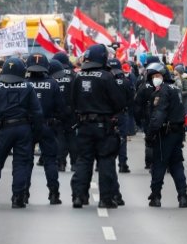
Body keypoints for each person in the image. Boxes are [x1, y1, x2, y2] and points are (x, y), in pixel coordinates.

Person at [0, 57, 42, 209]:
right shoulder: (28, 87)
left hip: (4, 129)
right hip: (24, 128)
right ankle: (18, 198)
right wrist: (36, 133)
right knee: (21, 163)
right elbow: (37, 112)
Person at [70, 45, 128, 209]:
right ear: (103, 58)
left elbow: (72, 102)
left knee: (83, 160)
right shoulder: (106, 77)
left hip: (83, 125)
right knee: (106, 161)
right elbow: (119, 102)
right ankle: (106, 199)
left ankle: (79, 197)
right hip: (104, 126)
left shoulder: (79, 76)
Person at [144, 63, 187, 208]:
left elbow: (158, 114)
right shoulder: (175, 88)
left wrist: (150, 134)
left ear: (163, 76)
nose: (155, 79)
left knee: (159, 164)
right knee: (177, 165)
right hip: (177, 132)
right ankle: (183, 196)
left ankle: (156, 196)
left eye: (157, 76)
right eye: (153, 77)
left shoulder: (162, 91)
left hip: (165, 133)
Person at [26, 53, 64, 204]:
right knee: (50, 161)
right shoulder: (53, 84)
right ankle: (54, 194)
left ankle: (22, 193)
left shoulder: (24, 83)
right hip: (47, 125)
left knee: (25, 161)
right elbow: (60, 107)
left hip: (28, 126)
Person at [108, 59, 135, 174]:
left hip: (108, 115)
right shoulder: (127, 82)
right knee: (122, 140)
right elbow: (131, 99)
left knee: (106, 140)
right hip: (122, 114)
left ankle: (104, 164)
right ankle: (122, 164)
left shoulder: (106, 81)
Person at [51, 52, 75, 172]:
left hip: (58, 112)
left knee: (60, 137)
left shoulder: (53, 75)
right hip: (72, 112)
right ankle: (74, 163)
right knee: (72, 137)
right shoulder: (73, 75)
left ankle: (61, 163)